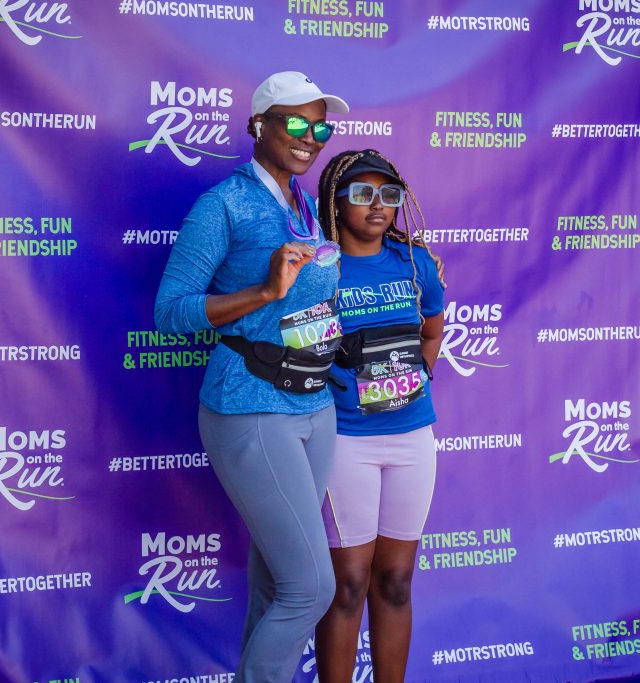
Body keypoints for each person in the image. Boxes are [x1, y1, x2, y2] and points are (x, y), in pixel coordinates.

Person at [154, 71, 349, 683]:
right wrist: (262, 290)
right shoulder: (223, 205)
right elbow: (170, 313)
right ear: (257, 126)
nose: (310, 136)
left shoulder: (306, 205)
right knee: (311, 588)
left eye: (320, 126)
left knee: (276, 584)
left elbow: (311, 298)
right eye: (295, 123)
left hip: (316, 406)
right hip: (251, 407)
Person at [313, 150, 446, 682]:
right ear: (335, 202)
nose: (378, 205)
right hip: (346, 442)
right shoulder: (318, 268)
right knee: (347, 583)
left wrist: (417, 376)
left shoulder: (415, 263)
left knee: (394, 579)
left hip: (412, 438)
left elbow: (432, 330)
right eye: (362, 194)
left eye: (388, 195)